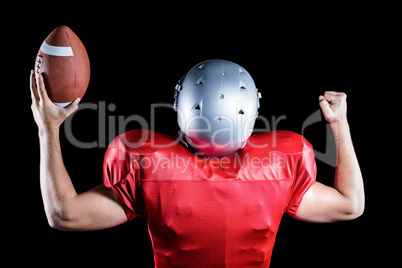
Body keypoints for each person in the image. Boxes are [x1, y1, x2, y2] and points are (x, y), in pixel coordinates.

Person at [30, 59, 364, 267]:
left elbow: (64, 215)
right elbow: (351, 205)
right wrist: (339, 125)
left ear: (182, 105)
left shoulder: (148, 165)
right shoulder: (280, 166)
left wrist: (48, 129)